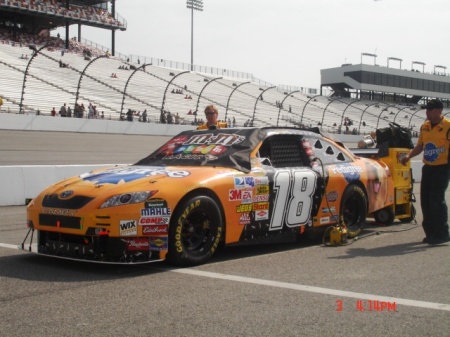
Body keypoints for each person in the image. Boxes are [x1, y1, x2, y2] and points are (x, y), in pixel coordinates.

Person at [401, 99, 450, 245]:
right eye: (426, 109)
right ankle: (431, 233)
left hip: (443, 167)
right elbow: (420, 146)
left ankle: (442, 233)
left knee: (436, 199)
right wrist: (409, 155)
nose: (427, 112)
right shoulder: (425, 127)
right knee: (426, 201)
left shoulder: (448, 126)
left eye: (430, 109)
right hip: (428, 167)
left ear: (438, 111)